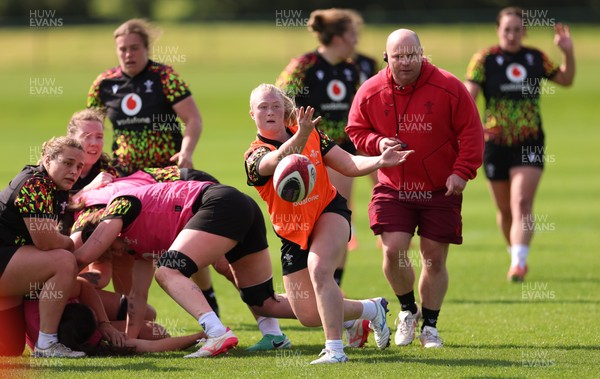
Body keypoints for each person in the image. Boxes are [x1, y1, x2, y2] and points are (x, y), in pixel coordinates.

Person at [244, 84, 413, 364]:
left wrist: (380, 161)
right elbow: (276, 160)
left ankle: (335, 350)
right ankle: (371, 310)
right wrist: (301, 135)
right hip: (292, 233)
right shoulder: (254, 155)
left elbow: (348, 164)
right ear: (252, 114)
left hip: (328, 212)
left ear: (284, 108)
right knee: (309, 315)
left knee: (320, 269)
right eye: (263, 107)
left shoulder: (311, 136)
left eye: (275, 105)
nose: (270, 111)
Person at [345, 29, 484, 349]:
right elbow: (355, 129)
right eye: (398, 56)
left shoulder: (450, 87)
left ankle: (431, 326)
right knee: (393, 250)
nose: (405, 61)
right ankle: (408, 310)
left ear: (423, 54)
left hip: (440, 189)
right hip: (393, 187)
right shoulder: (370, 90)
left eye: (412, 55)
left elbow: (472, 132)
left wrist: (462, 172)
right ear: (386, 57)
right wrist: (378, 142)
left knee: (433, 258)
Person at [74, 180, 296, 357]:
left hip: (219, 202)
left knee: (167, 271)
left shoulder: (118, 206)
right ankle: (304, 319)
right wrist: (129, 338)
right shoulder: (136, 248)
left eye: (111, 248)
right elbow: (138, 294)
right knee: (264, 302)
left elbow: (87, 253)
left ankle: (216, 332)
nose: (117, 254)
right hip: (239, 205)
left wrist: (62, 272)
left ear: (106, 232)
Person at [465, 6, 575, 282]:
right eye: (507, 30)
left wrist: (568, 51)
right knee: (504, 211)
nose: (512, 35)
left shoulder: (535, 58)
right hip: (495, 144)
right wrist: (474, 132)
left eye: (517, 30)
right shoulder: (484, 59)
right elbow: (468, 100)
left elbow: (566, 79)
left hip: (529, 142)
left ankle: (518, 263)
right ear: (498, 31)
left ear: (524, 32)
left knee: (522, 202)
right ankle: (515, 252)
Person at [276, 8, 362, 287]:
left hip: (341, 149)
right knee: (308, 216)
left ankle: (334, 285)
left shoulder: (351, 69)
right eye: (351, 34)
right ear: (337, 37)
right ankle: (308, 280)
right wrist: (297, 136)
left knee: (340, 217)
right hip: (306, 152)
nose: (356, 40)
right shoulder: (304, 65)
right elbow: (280, 100)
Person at [0, 136, 86, 357]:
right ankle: (47, 344)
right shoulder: (36, 183)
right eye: (67, 163)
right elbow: (45, 241)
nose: (74, 171)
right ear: (47, 160)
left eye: (79, 166)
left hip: (9, 266)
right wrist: (69, 243)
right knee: (64, 261)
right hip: (5, 263)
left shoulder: (53, 186)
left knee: (9, 349)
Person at [87, 18, 202, 176]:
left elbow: (193, 119)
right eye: (123, 49)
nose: (128, 54)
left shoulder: (165, 77)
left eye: (134, 48)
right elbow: (88, 127)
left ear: (146, 48)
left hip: (167, 171)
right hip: (124, 173)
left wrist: (186, 152)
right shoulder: (104, 83)